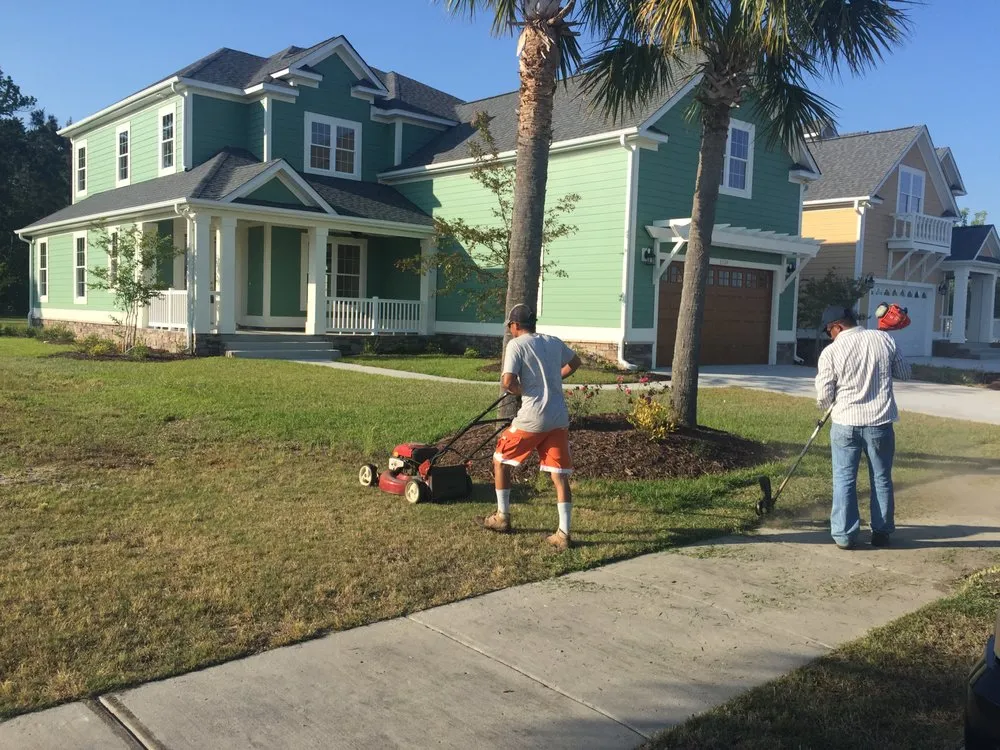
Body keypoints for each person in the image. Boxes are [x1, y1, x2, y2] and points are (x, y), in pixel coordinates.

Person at [477, 304, 582, 551]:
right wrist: (554, 379)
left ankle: (502, 517)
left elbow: (507, 382)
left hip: (533, 417)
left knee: (500, 459)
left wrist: (524, 391)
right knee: (559, 475)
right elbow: (575, 362)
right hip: (558, 418)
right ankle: (563, 534)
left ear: (514, 326)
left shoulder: (516, 345)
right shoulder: (553, 342)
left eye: (510, 327)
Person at [815, 305, 911, 550]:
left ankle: (845, 536)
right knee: (881, 478)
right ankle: (881, 533)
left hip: (845, 424)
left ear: (837, 326)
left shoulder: (831, 352)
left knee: (844, 479)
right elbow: (904, 373)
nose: (830, 336)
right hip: (880, 423)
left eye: (829, 331)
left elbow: (823, 397)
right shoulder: (884, 339)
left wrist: (831, 400)